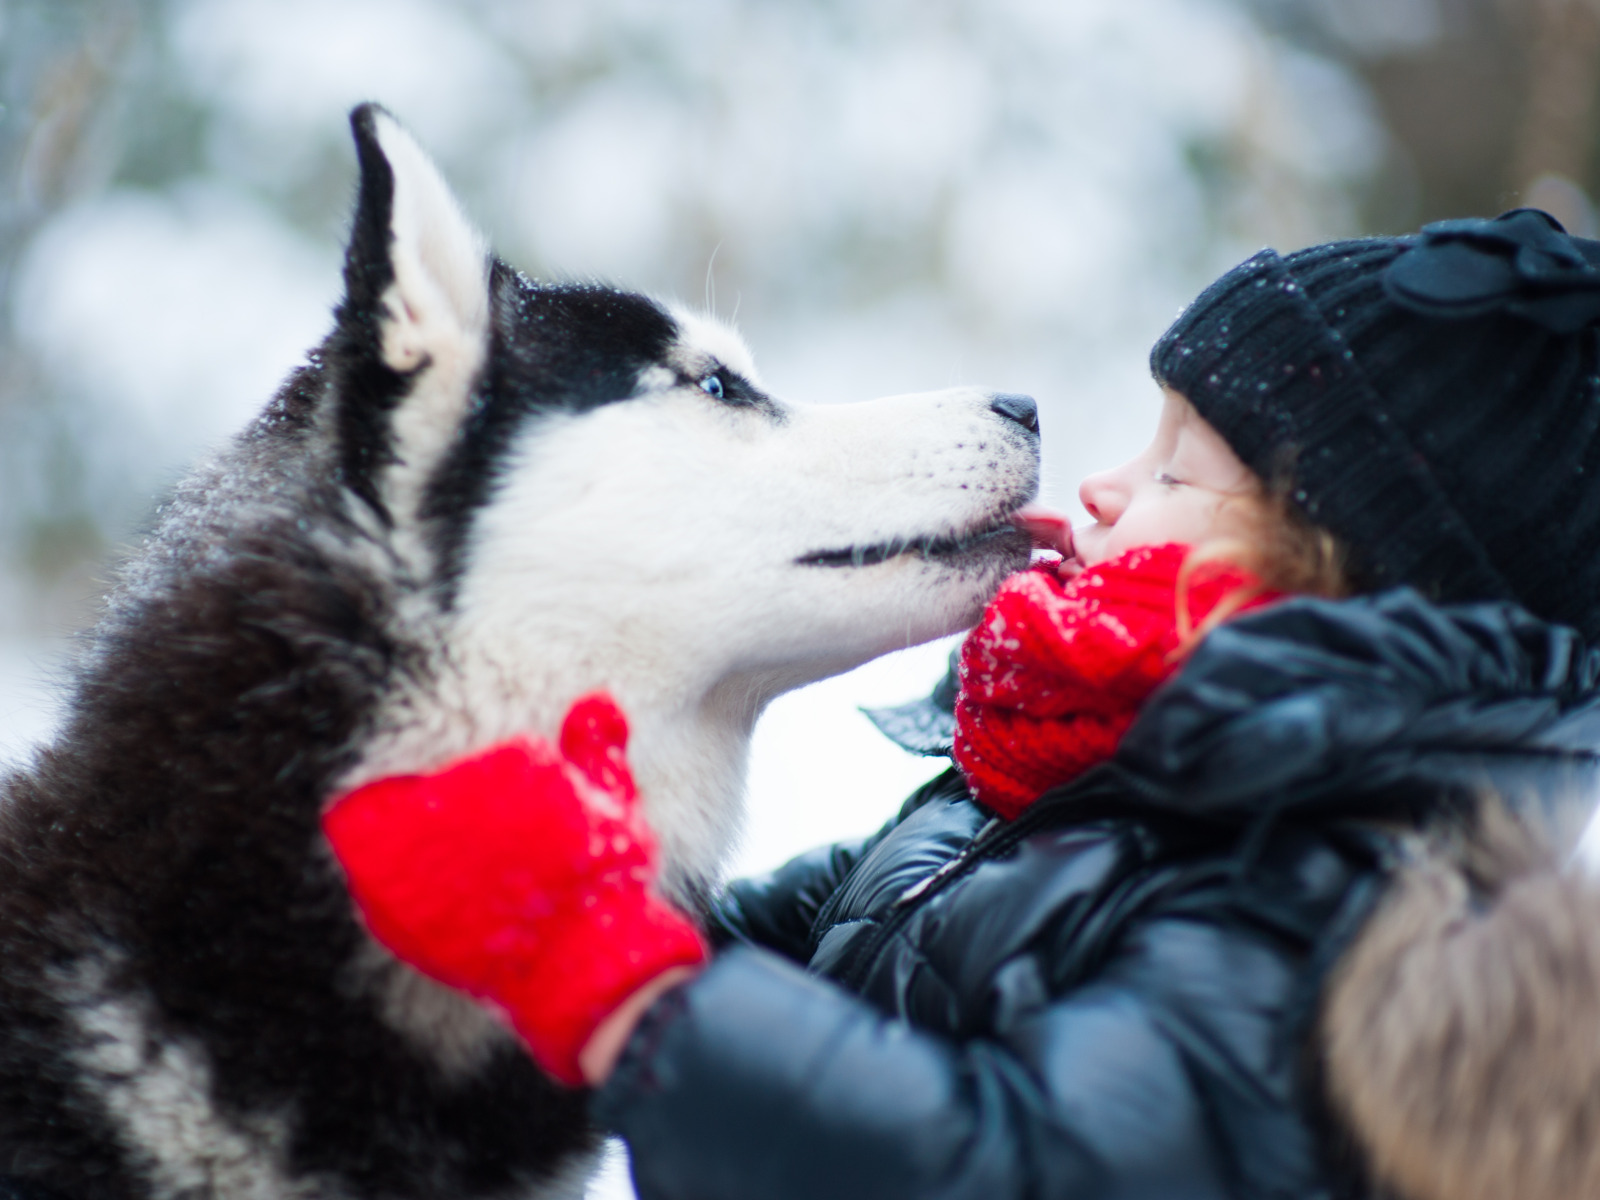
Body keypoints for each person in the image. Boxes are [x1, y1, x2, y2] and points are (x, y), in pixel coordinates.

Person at [325, 208, 1600, 1200]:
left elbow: (1015, 1175)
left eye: (1175, 469)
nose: (1101, 484)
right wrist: (583, 875)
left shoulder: (1342, 892)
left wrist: (614, 983)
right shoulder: (1076, 778)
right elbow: (800, 968)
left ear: (1332, 567)